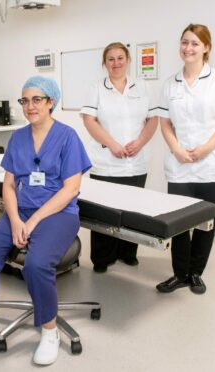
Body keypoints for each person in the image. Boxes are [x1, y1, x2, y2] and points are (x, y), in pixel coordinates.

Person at [0, 76, 91, 366]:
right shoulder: (17, 138)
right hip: (21, 212)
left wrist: (33, 222)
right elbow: (8, 185)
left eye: (37, 99)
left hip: (58, 214)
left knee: (37, 264)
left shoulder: (68, 137)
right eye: (25, 100)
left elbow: (71, 188)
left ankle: (49, 331)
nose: (30, 106)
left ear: (51, 102)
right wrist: (16, 220)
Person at [156, 24, 215, 295]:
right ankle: (179, 274)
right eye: (184, 42)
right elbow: (165, 123)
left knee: (206, 221)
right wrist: (177, 150)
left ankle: (195, 273)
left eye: (195, 43)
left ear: (206, 47)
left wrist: (206, 148)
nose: (188, 48)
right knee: (179, 222)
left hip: (214, 164)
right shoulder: (171, 83)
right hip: (181, 164)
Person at [80, 42, 158, 273]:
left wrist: (140, 142)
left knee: (132, 210)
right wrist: (111, 143)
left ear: (128, 60)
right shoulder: (97, 88)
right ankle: (102, 258)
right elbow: (89, 120)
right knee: (104, 212)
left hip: (136, 162)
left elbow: (152, 119)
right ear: (105, 63)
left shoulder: (142, 87)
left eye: (120, 58)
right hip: (106, 162)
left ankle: (127, 253)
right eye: (111, 59)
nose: (116, 63)